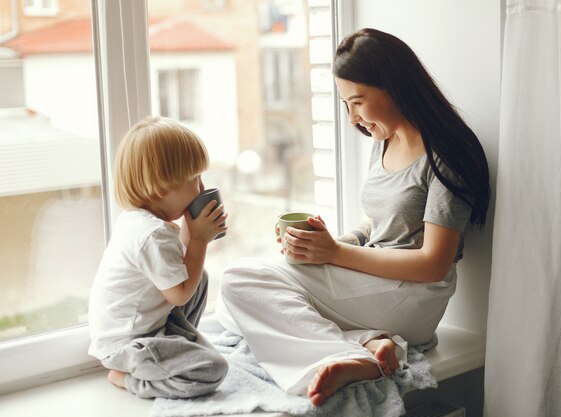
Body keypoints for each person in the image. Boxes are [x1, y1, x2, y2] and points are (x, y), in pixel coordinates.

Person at [216, 28, 491, 406]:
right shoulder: (384, 141)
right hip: (376, 284)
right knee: (229, 308)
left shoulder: (445, 155)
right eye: (346, 104)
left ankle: (355, 353)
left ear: (395, 85)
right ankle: (371, 344)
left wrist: (334, 255)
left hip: (415, 294)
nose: (352, 118)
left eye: (357, 102)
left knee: (238, 282)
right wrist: (324, 244)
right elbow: (377, 226)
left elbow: (433, 264)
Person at [88, 116, 229, 399]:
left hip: (148, 328)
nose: (201, 188)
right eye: (194, 179)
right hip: (128, 345)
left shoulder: (140, 221)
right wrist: (199, 239)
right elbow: (179, 295)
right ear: (162, 187)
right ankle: (127, 380)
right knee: (213, 369)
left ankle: (179, 344)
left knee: (198, 277)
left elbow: (182, 276)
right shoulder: (152, 234)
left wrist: (193, 231)